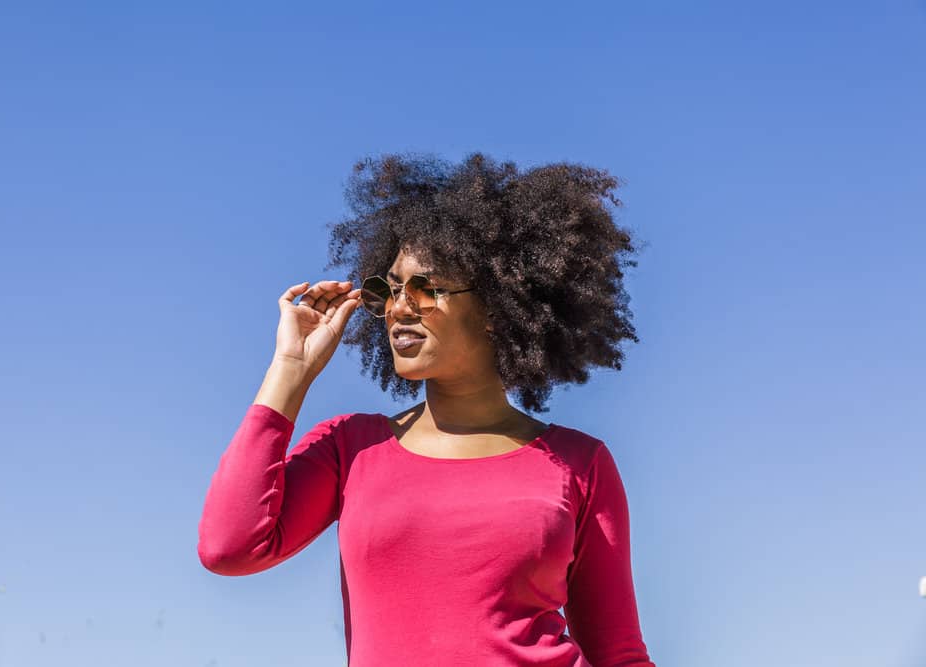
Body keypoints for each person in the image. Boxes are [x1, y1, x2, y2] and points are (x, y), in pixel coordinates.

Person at [197, 152, 656, 666]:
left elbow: (617, 652)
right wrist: (290, 369)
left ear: (498, 309)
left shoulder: (580, 462)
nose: (398, 308)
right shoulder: (352, 447)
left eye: (426, 289)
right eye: (389, 289)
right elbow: (230, 547)